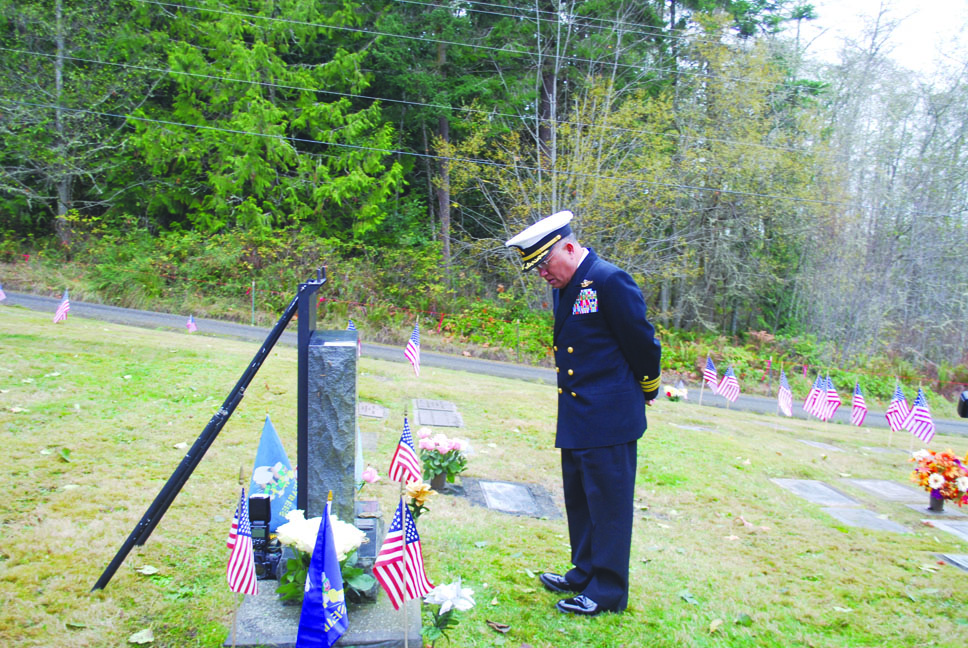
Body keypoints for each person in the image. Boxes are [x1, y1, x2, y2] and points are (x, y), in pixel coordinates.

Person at [505, 210, 661, 616]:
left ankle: (607, 592)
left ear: (569, 248)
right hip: (578, 412)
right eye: (534, 267)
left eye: (543, 263)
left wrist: (648, 387)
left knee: (608, 505)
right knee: (580, 499)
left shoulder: (610, 281)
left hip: (610, 415)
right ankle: (585, 571)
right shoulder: (566, 286)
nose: (541, 273)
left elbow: (642, 342)